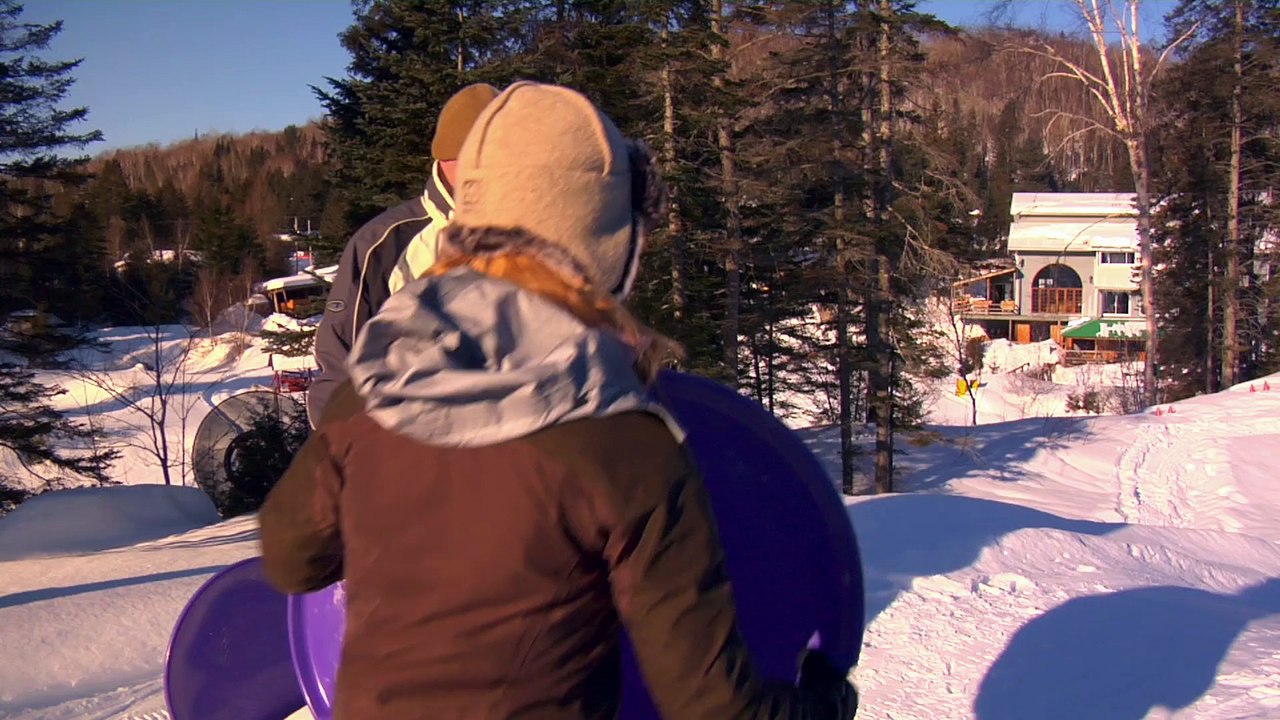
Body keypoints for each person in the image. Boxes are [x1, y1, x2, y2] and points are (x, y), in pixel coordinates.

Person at [259, 81, 857, 719]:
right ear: (608, 248)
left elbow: (292, 558)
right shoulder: (628, 446)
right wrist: (820, 703)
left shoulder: (374, 393)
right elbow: (714, 707)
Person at [306, 82, 500, 427]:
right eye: (470, 154)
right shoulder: (383, 244)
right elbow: (340, 363)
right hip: (412, 447)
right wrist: (342, 455)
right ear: (444, 157)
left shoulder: (539, 236)